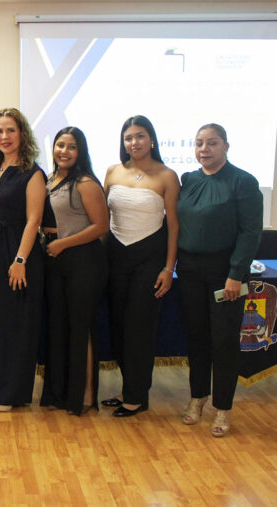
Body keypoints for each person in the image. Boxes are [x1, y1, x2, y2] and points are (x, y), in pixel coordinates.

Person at [176, 123, 262, 437]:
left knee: (224, 341)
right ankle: (198, 397)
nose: (204, 149)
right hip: (189, 269)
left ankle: (222, 407)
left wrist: (234, 275)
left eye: (212, 143)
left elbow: (251, 232)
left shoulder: (243, 182)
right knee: (196, 337)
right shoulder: (189, 180)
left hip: (224, 272)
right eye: (199, 143)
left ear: (226, 146)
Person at [102, 115, 179, 418]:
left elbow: (173, 225)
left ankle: (137, 396)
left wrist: (169, 268)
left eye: (140, 136)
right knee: (119, 326)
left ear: (152, 139)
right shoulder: (112, 172)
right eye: (128, 137)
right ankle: (126, 389)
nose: (134, 142)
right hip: (115, 257)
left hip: (150, 259)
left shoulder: (167, 175)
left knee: (140, 329)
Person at [39, 127, 109, 416]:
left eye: (71, 147)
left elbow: (101, 227)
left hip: (83, 260)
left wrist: (63, 244)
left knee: (81, 328)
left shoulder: (86, 183)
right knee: (58, 327)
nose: (63, 151)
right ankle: (59, 393)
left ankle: (86, 396)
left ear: (80, 151)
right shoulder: (50, 179)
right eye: (59, 145)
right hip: (54, 258)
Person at [0, 108, 47, 412]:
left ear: (22, 133)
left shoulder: (32, 172)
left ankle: (12, 392)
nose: (4, 137)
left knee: (15, 323)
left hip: (17, 250)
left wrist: (20, 259)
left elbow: (33, 220)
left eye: (10, 130)